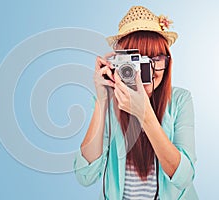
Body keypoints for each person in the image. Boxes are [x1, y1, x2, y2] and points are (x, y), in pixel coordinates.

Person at [73, 5, 198, 200]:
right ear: (119, 63)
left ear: (167, 61)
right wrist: (102, 99)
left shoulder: (180, 100)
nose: (146, 71)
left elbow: (184, 178)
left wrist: (145, 114)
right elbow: (85, 176)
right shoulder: (107, 101)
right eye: (137, 61)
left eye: (155, 59)